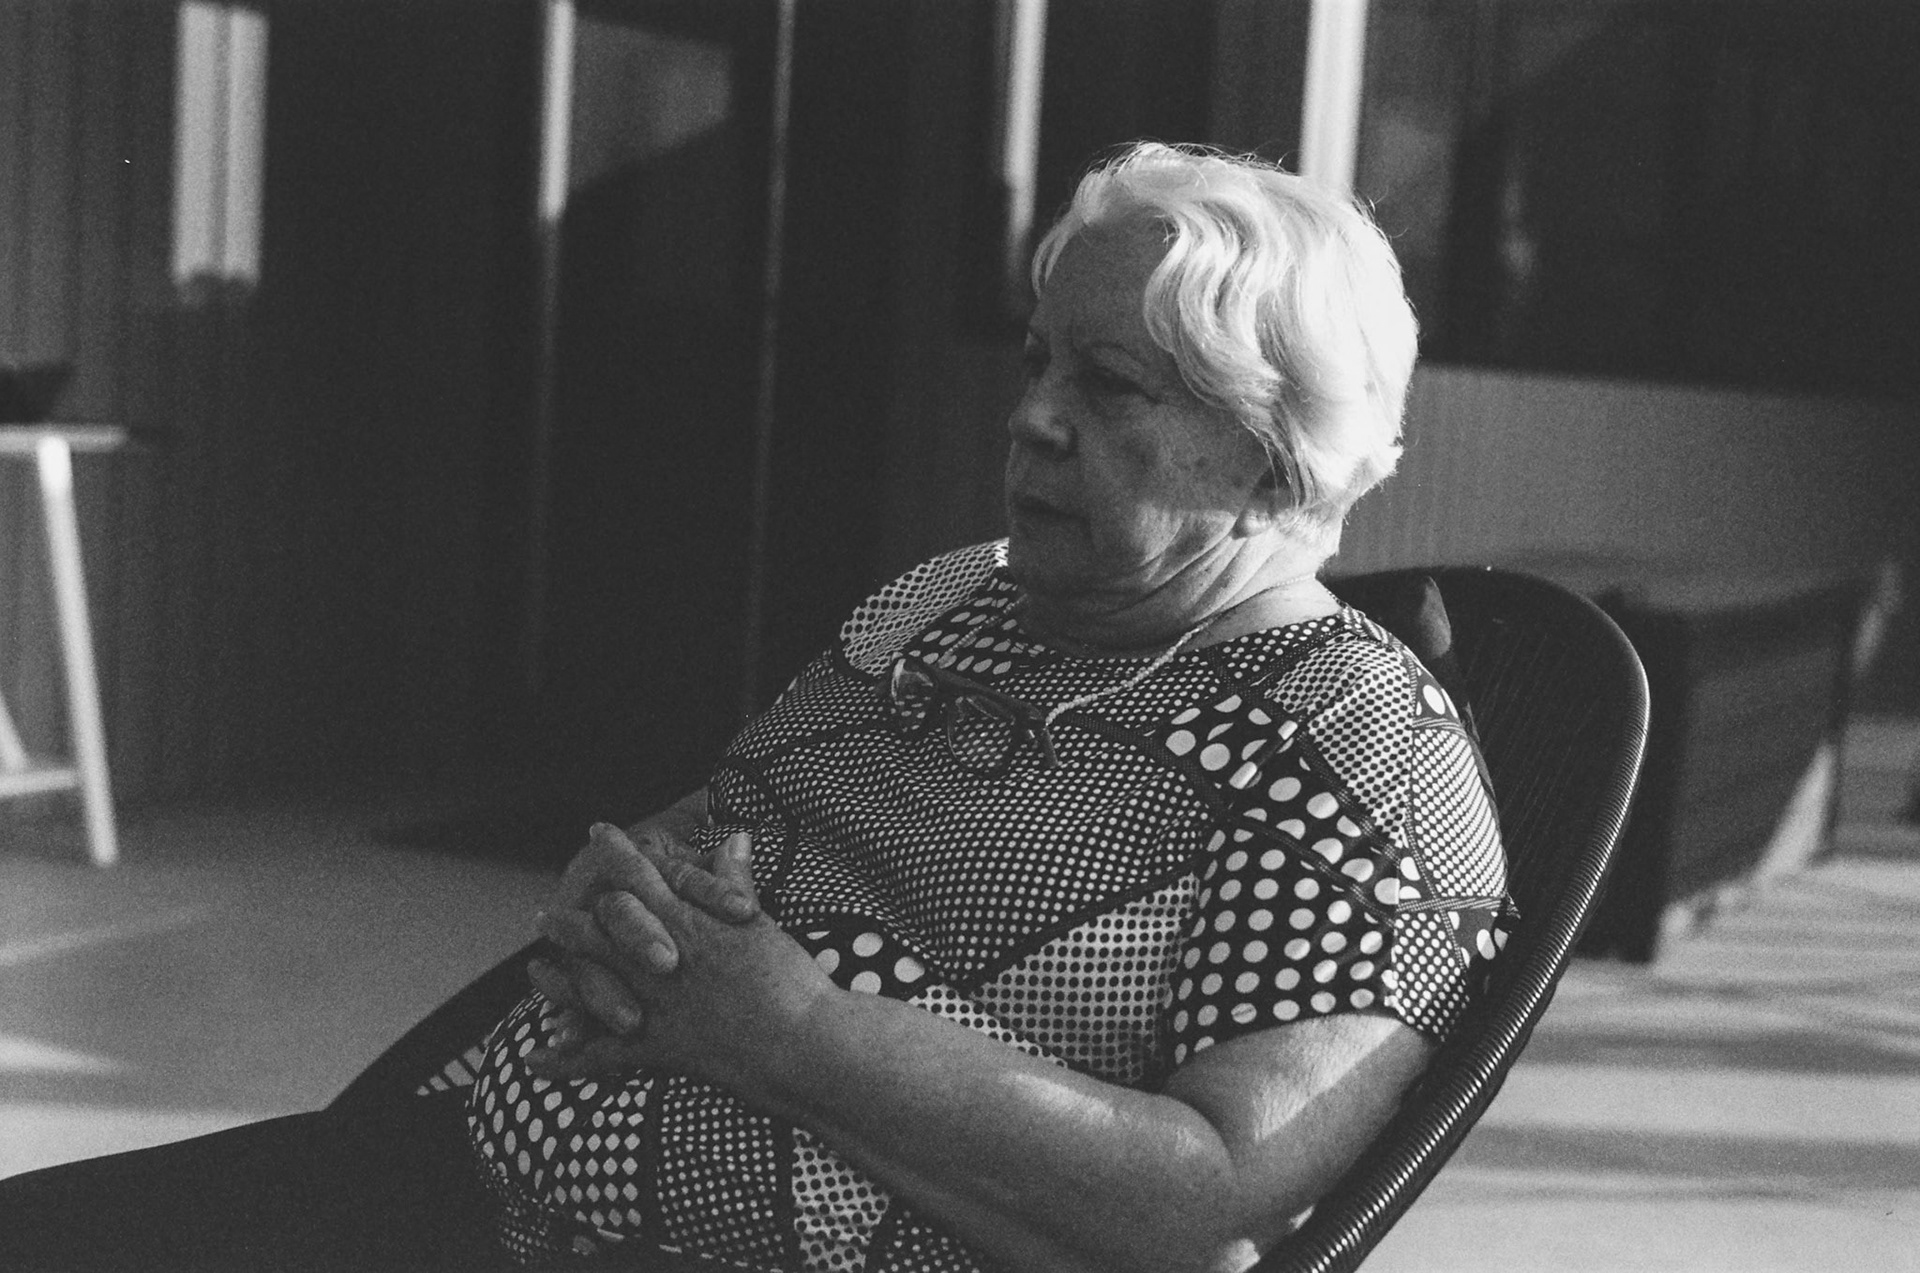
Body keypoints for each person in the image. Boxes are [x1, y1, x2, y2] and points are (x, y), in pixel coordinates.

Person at [0, 142, 1509, 1273]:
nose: (1034, 416)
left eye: (1112, 385)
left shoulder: (1353, 745)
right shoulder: (947, 601)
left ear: (1276, 446)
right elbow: (712, 829)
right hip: (477, 1188)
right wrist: (617, 898)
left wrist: (788, 1032)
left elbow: (1210, 1196)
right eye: (1039, 360)